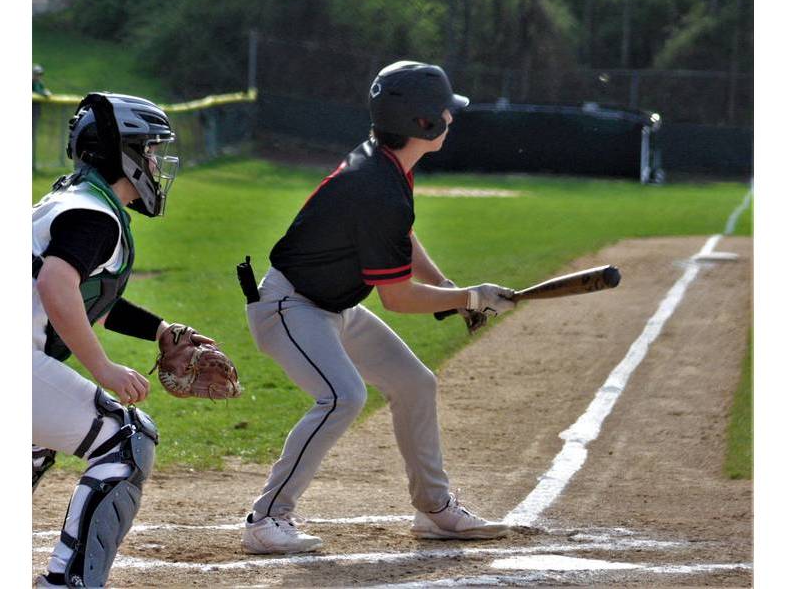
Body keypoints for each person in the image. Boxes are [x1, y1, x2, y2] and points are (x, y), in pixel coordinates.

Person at [239, 61, 518, 554]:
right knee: (342, 396)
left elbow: (401, 239)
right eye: (444, 113)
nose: (451, 119)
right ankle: (267, 518)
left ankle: (435, 511)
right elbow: (396, 297)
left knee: (415, 383)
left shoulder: (386, 168)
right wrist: (470, 297)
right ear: (423, 125)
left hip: (332, 307)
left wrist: (448, 286)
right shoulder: (377, 186)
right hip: (289, 307)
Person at [32, 92, 215, 587]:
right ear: (126, 156)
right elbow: (56, 285)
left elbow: (90, 299)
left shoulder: (72, 201)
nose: (156, 164)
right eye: (151, 152)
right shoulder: (96, 214)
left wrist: (159, 331)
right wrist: (103, 369)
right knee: (126, 438)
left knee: (38, 440)